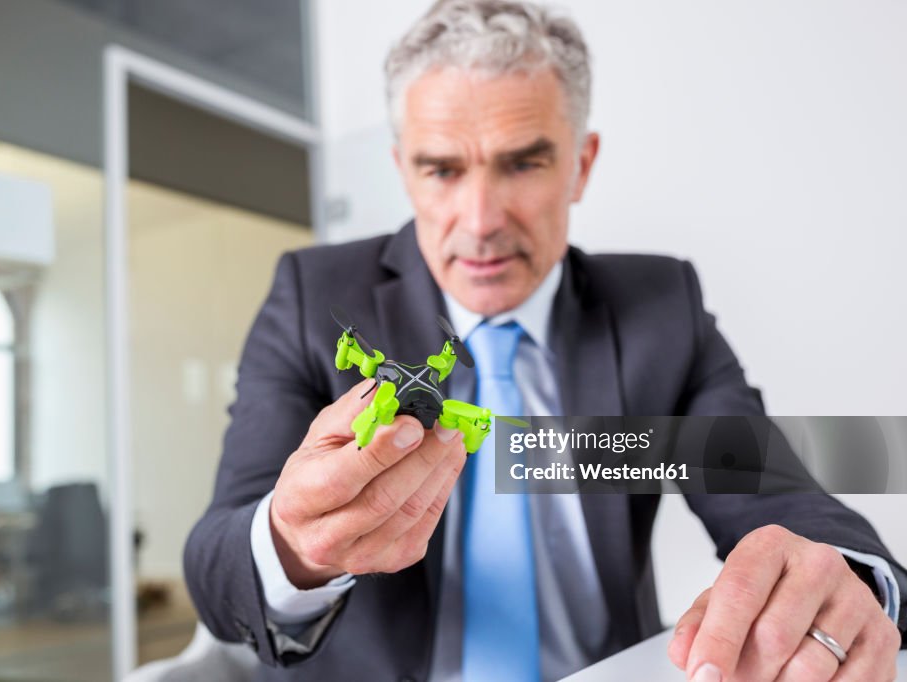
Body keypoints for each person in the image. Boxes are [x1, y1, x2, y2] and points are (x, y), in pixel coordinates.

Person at [184, 1, 907, 680]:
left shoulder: (661, 310)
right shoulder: (314, 299)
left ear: (581, 165)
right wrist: (291, 542)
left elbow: (767, 487)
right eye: (442, 169)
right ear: (405, 173)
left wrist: (844, 578)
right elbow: (218, 566)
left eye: (523, 162)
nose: (481, 219)